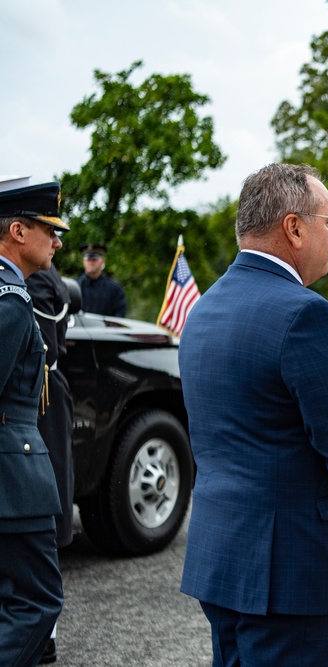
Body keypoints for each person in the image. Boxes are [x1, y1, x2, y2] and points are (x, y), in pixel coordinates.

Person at [178, 163, 328, 666]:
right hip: (287, 566)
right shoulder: (306, 315)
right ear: (294, 228)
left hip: (222, 552)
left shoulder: (203, 309)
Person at [0, 181, 67, 666]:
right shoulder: (9, 300)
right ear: (18, 231)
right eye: (49, 230)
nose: (58, 242)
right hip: (11, 474)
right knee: (36, 602)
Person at [26, 263, 74, 665]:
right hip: (43, 397)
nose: (57, 243)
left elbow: (46, 349)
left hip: (40, 400)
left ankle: (45, 633)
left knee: (43, 512)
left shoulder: (38, 278)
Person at [76, 242, 126, 316]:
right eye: (88, 259)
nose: (91, 262)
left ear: (102, 260)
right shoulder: (74, 286)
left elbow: (119, 316)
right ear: (83, 261)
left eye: (95, 259)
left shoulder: (114, 289)